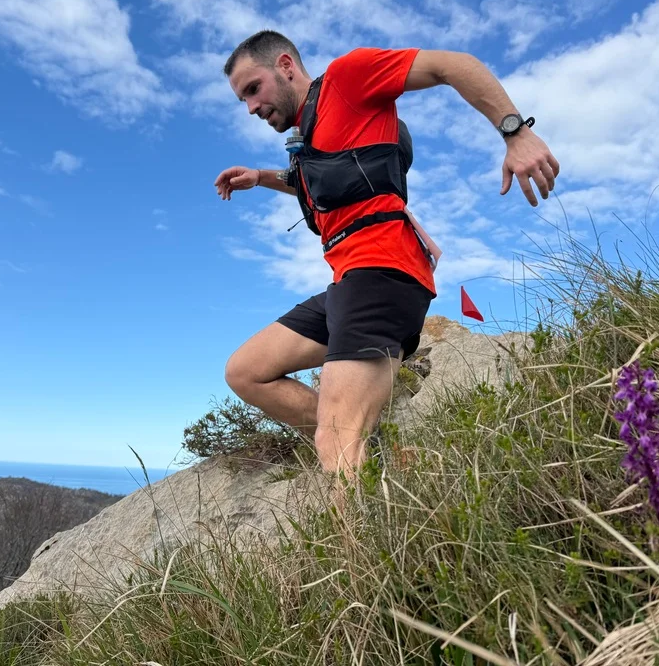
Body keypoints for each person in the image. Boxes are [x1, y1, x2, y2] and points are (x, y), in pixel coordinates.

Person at [214, 30, 559, 481]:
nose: (251, 107)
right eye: (242, 99)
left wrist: (516, 133)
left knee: (336, 437)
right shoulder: (307, 135)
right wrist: (261, 177)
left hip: (383, 270)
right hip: (348, 278)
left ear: (284, 65)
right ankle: (367, 446)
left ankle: (346, 453)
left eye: (253, 89)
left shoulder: (348, 78)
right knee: (245, 372)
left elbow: (453, 64)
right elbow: (315, 180)